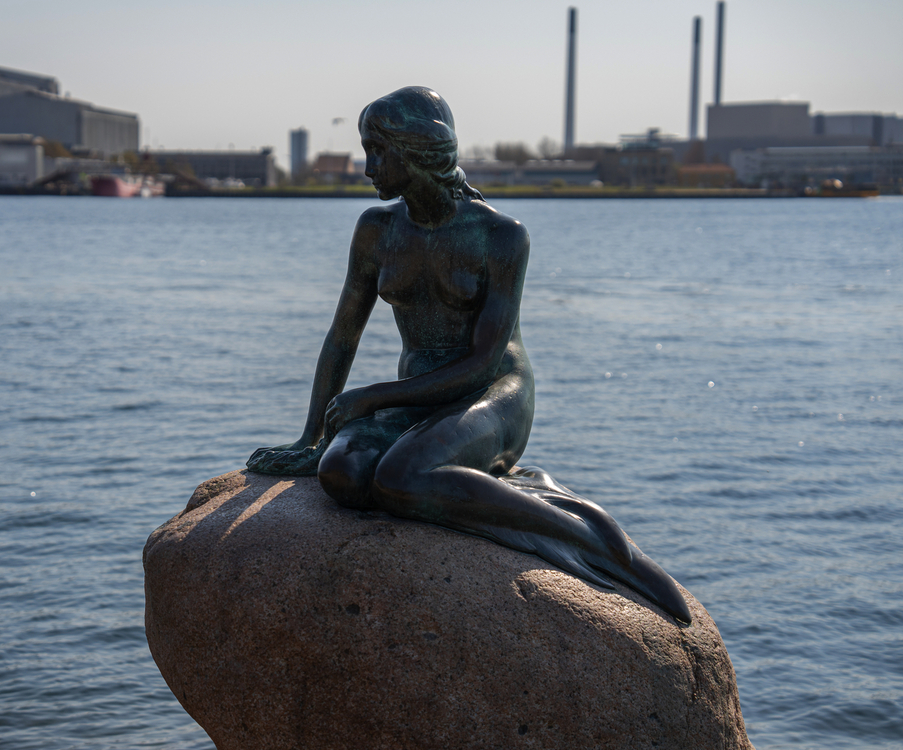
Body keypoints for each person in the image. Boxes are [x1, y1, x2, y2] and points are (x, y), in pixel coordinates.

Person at [248, 87, 689, 623]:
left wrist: (373, 398)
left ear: (420, 152)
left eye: (378, 151)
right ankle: (473, 481)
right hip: (419, 397)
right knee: (343, 474)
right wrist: (309, 438)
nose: (368, 169)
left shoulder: (500, 235)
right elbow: (343, 335)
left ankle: (596, 539)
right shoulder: (376, 230)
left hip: (493, 393)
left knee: (399, 478)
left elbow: (483, 362)